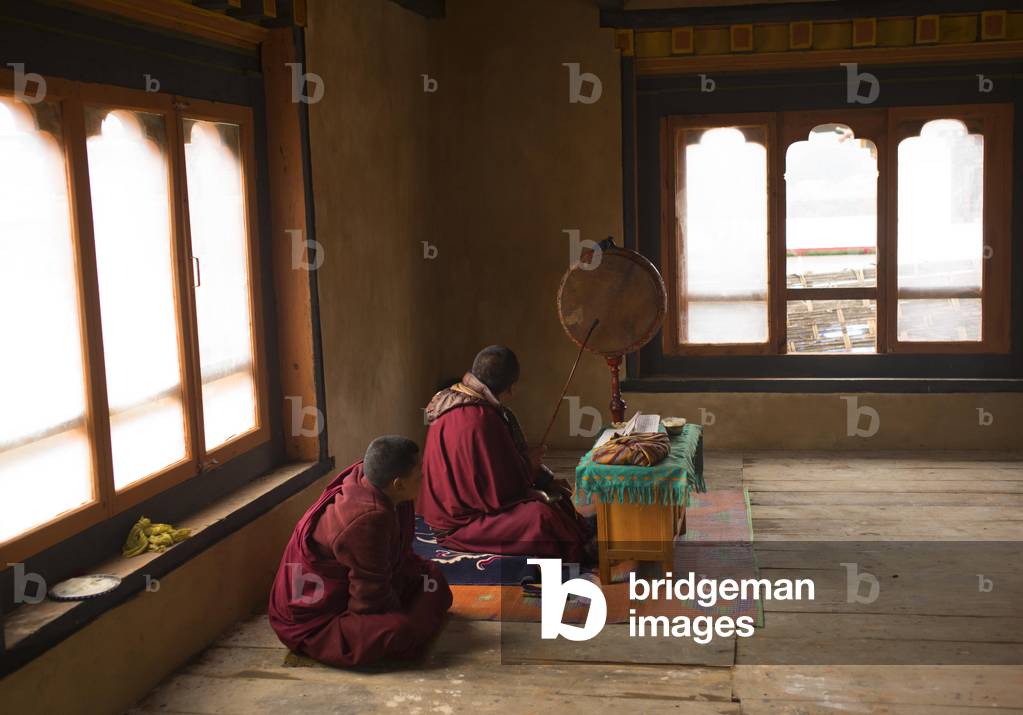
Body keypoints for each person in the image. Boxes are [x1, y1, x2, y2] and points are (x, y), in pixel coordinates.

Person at [269, 436, 451, 667]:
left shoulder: (378, 482)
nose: (423, 477)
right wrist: (397, 606)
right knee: (401, 630)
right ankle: (408, 627)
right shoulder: (367, 518)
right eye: (419, 474)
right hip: (315, 618)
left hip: (361, 582)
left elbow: (398, 556)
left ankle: (412, 618)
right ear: (398, 484)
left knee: (432, 577)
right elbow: (369, 600)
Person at [419, 345, 593, 563]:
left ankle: (582, 539)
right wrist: (528, 465)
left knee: (557, 495)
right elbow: (500, 491)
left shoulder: (450, 397)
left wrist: (542, 477)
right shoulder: (481, 418)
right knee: (542, 516)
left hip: (459, 507)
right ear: (509, 387)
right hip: (462, 522)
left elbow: (492, 471)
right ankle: (584, 554)